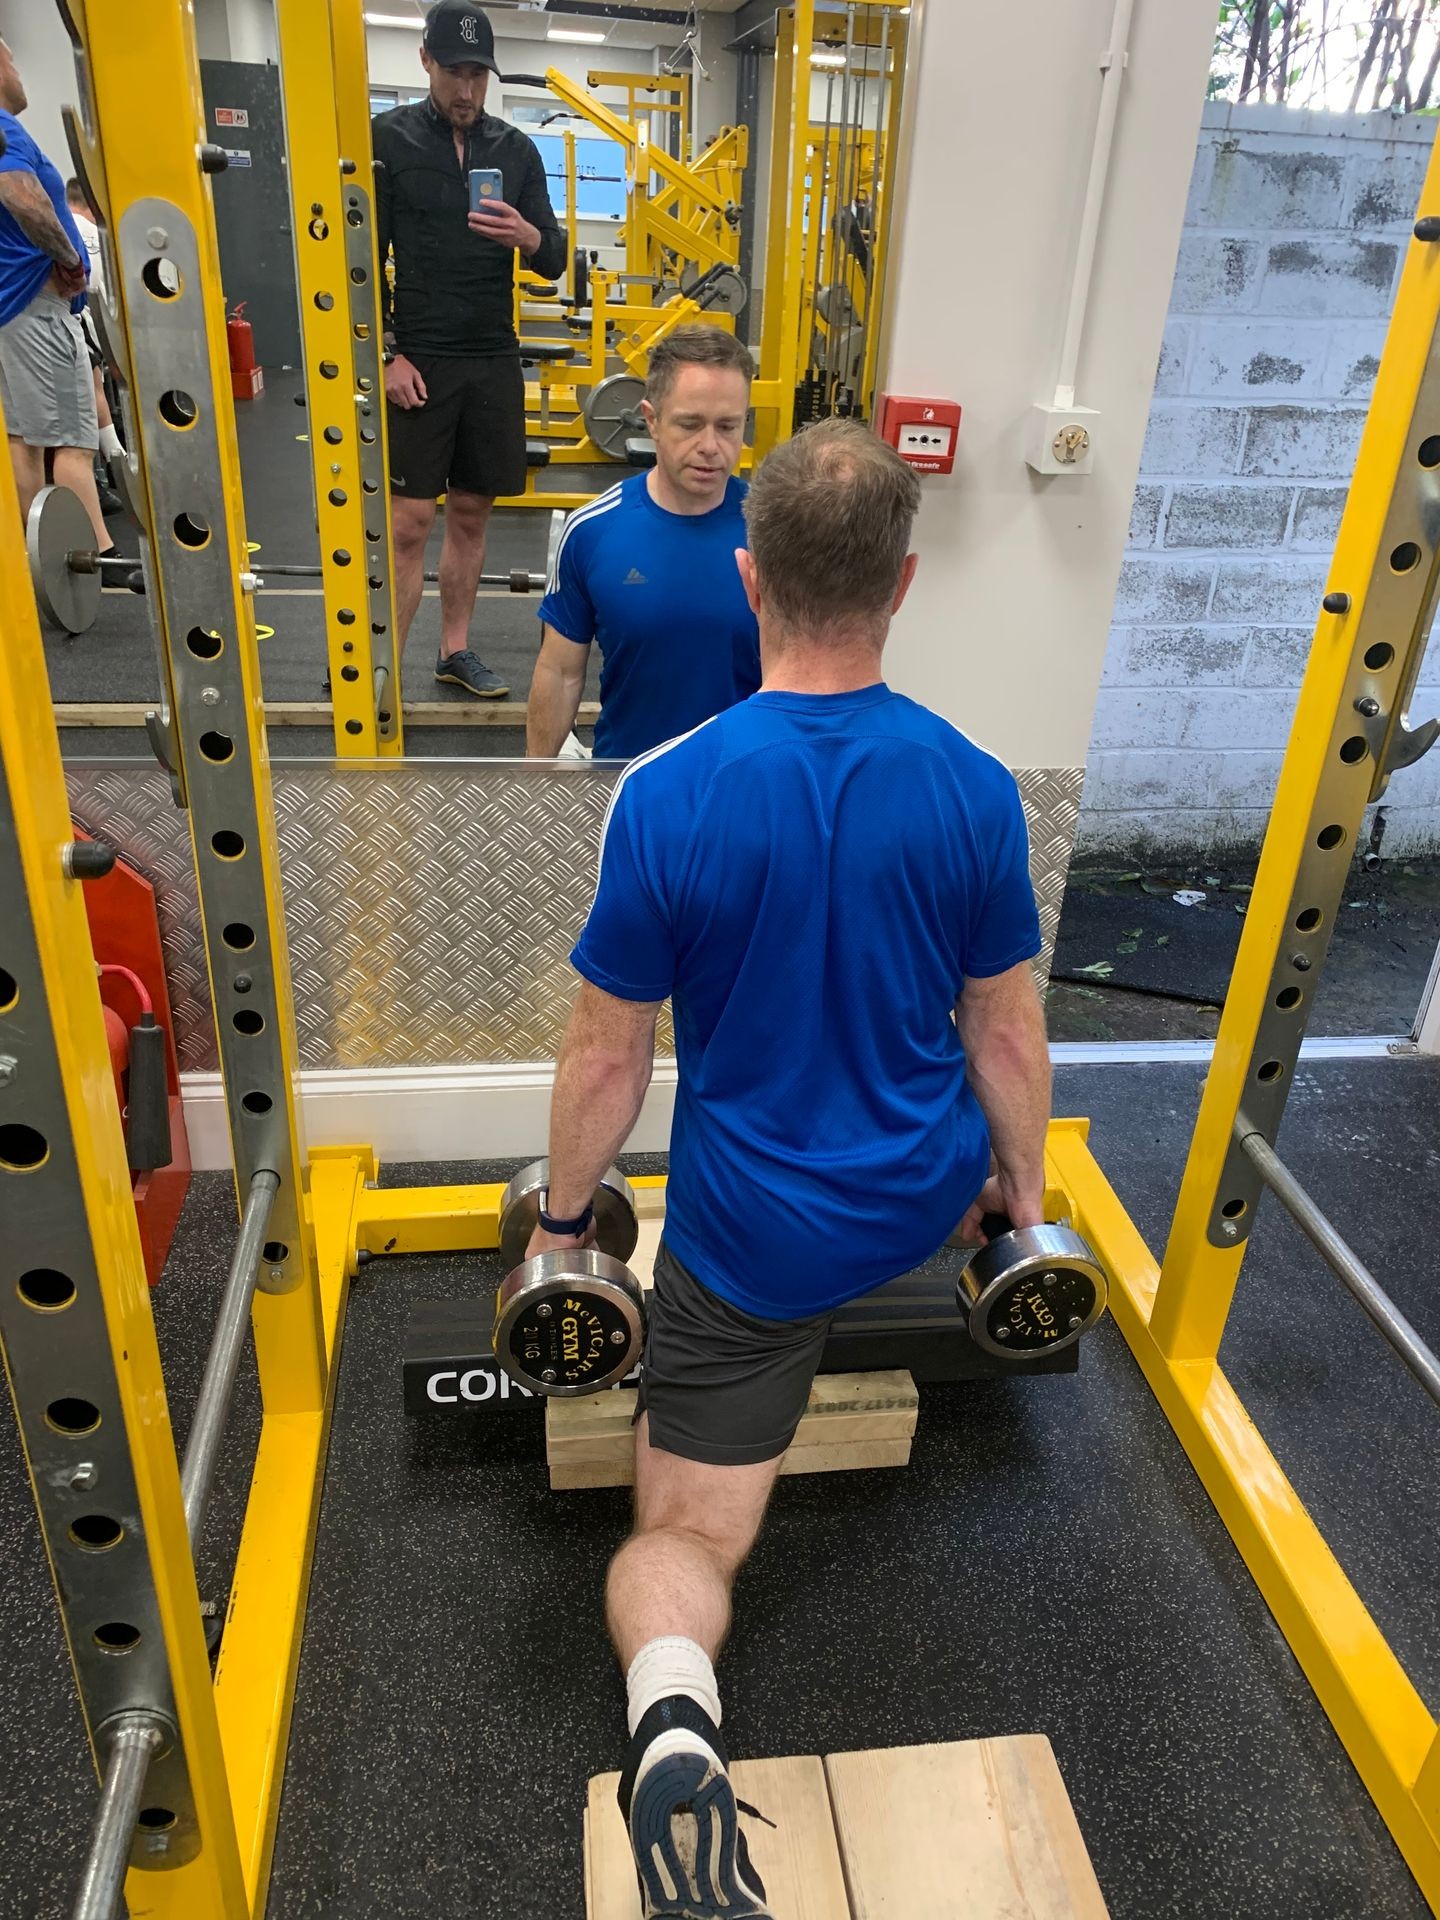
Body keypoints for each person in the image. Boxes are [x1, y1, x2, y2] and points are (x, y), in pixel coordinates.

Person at [524, 420, 1050, 1919]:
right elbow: (1007, 1043)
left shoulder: (673, 792)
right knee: (955, 1116)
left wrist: (564, 1234)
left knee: (682, 1537)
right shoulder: (973, 786)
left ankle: (676, 1718)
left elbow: (605, 1063)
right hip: (921, 1203)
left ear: (751, 576)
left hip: (750, 1251)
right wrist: (1022, 1206)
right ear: (903, 582)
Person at [374, 0, 566, 700]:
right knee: (408, 521)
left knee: (471, 513)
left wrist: (529, 238)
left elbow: (556, 259)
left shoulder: (516, 151)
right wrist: (388, 354)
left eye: (477, 76)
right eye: (454, 72)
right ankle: (384, 663)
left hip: (490, 356)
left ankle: (453, 650)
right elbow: (361, 258)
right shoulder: (388, 142)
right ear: (425, 61)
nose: (466, 90)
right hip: (419, 353)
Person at [526, 326, 762, 761]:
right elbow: (560, 673)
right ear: (651, 419)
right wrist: (537, 782)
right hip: (630, 781)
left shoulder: (773, 530)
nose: (710, 446)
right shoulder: (592, 531)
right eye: (689, 424)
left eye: (727, 426)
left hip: (743, 784)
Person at [0, 39, 110, 555]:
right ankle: (77, 559)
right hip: (31, 304)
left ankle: (70, 558)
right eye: (11, 59)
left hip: (30, 308)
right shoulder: (3, 128)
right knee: (53, 441)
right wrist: (69, 258)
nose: (18, 71)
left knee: (46, 439)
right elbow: (20, 194)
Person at [64, 178, 124, 516]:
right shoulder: (92, 234)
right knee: (92, 394)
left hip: (77, 325)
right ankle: (111, 475)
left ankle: (110, 474)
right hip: (86, 327)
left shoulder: (69, 228)